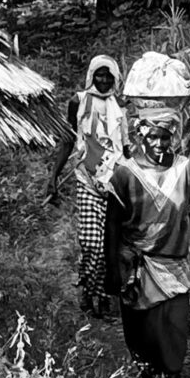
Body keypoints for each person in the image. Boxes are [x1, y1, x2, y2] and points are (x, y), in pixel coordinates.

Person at [103, 106, 190, 378]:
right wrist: (112, 268)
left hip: (174, 266)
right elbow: (112, 223)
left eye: (165, 137)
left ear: (173, 137)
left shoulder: (184, 168)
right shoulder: (125, 173)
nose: (159, 144)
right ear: (141, 135)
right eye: (152, 136)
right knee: (141, 333)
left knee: (176, 328)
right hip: (137, 267)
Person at [47, 55, 129, 318]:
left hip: (114, 183)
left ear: (115, 78)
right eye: (99, 75)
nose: (103, 80)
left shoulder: (120, 108)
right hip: (86, 179)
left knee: (109, 246)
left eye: (108, 75)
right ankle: (87, 289)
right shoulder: (78, 101)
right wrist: (53, 177)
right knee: (91, 244)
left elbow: (124, 150)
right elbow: (68, 141)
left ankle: (102, 298)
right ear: (91, 75)